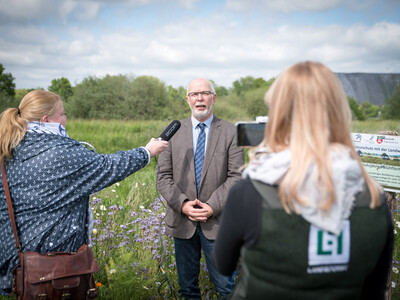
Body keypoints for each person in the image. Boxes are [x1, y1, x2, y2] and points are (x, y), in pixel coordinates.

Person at [212, 61, 393, 299]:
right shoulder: (373, 197)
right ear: (339, 112)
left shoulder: (250, 192)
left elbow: (223, 264)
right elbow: (375, 289)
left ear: (277, 115)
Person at [0, 90, 168, 295]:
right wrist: (146, 152)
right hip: (55, 259)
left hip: (18, 258)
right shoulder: (60, 151)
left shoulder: (9, 146)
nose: (65, 118)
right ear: (46, 120)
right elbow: (108, 167)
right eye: (62, 114)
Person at [157, 78, 244, 299]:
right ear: (187, 100)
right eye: (194, 94)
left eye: (205, 93)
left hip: (218, 222)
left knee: (226, 288)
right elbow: (163, 177)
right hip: (182, 221)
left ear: (214, 98)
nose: (199, 98)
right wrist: (184, 205)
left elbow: (237, 176)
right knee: (187, 289)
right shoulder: (173, 131)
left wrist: (212, 206)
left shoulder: (231, 132)